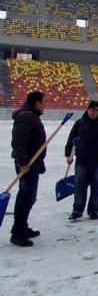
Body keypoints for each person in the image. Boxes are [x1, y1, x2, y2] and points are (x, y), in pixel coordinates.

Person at [9, 91, 46, 247]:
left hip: (32, 164)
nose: (45, 104)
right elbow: (18, 142)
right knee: (25, 198)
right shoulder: (26, 117)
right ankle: (18, 233)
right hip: (26, 165)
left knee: (29, 197)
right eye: (43, 101)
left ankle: (22, 227)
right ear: (37, 103)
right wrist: (23, 163)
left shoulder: (31, 116)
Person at [65, 101, 98, 220]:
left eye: (95, 110)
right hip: (82, 159)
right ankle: (77, 210)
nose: (92, 112)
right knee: (79, 185)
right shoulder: (80, 123)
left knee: (96, 186)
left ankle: (93, 211)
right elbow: (71, 139)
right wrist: (68, 154)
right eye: (90, 109)